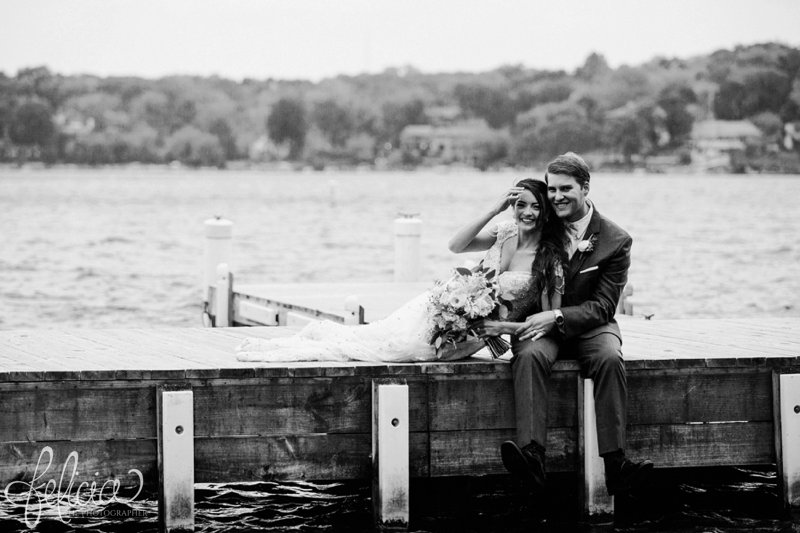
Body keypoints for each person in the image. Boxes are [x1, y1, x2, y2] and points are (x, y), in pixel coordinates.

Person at [235, 179, 569, 364]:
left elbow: (550, 316)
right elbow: (456, 245)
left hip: (475, 333)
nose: (527, 212)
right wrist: (494, 208)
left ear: (546, 213)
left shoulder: (550, 260)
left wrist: (500, 326)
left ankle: (306, 342)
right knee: (377, 339)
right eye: (520, 204)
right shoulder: (504, 232)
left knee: (403, 352)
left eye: (535, 206)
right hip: (440, 308)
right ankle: (307, 338)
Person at [499, 152, 653, 497]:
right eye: (551, 189)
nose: (556, 197)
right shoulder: (541, 219)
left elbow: (603, 306)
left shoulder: (615, 240)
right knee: (529, 354)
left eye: (565, 189)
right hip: (540, 325)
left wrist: (557, 317)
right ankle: (532, 455)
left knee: (610, 357)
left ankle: (616, 464)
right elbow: (493, 244)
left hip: (591, 325)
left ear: (585, 188)